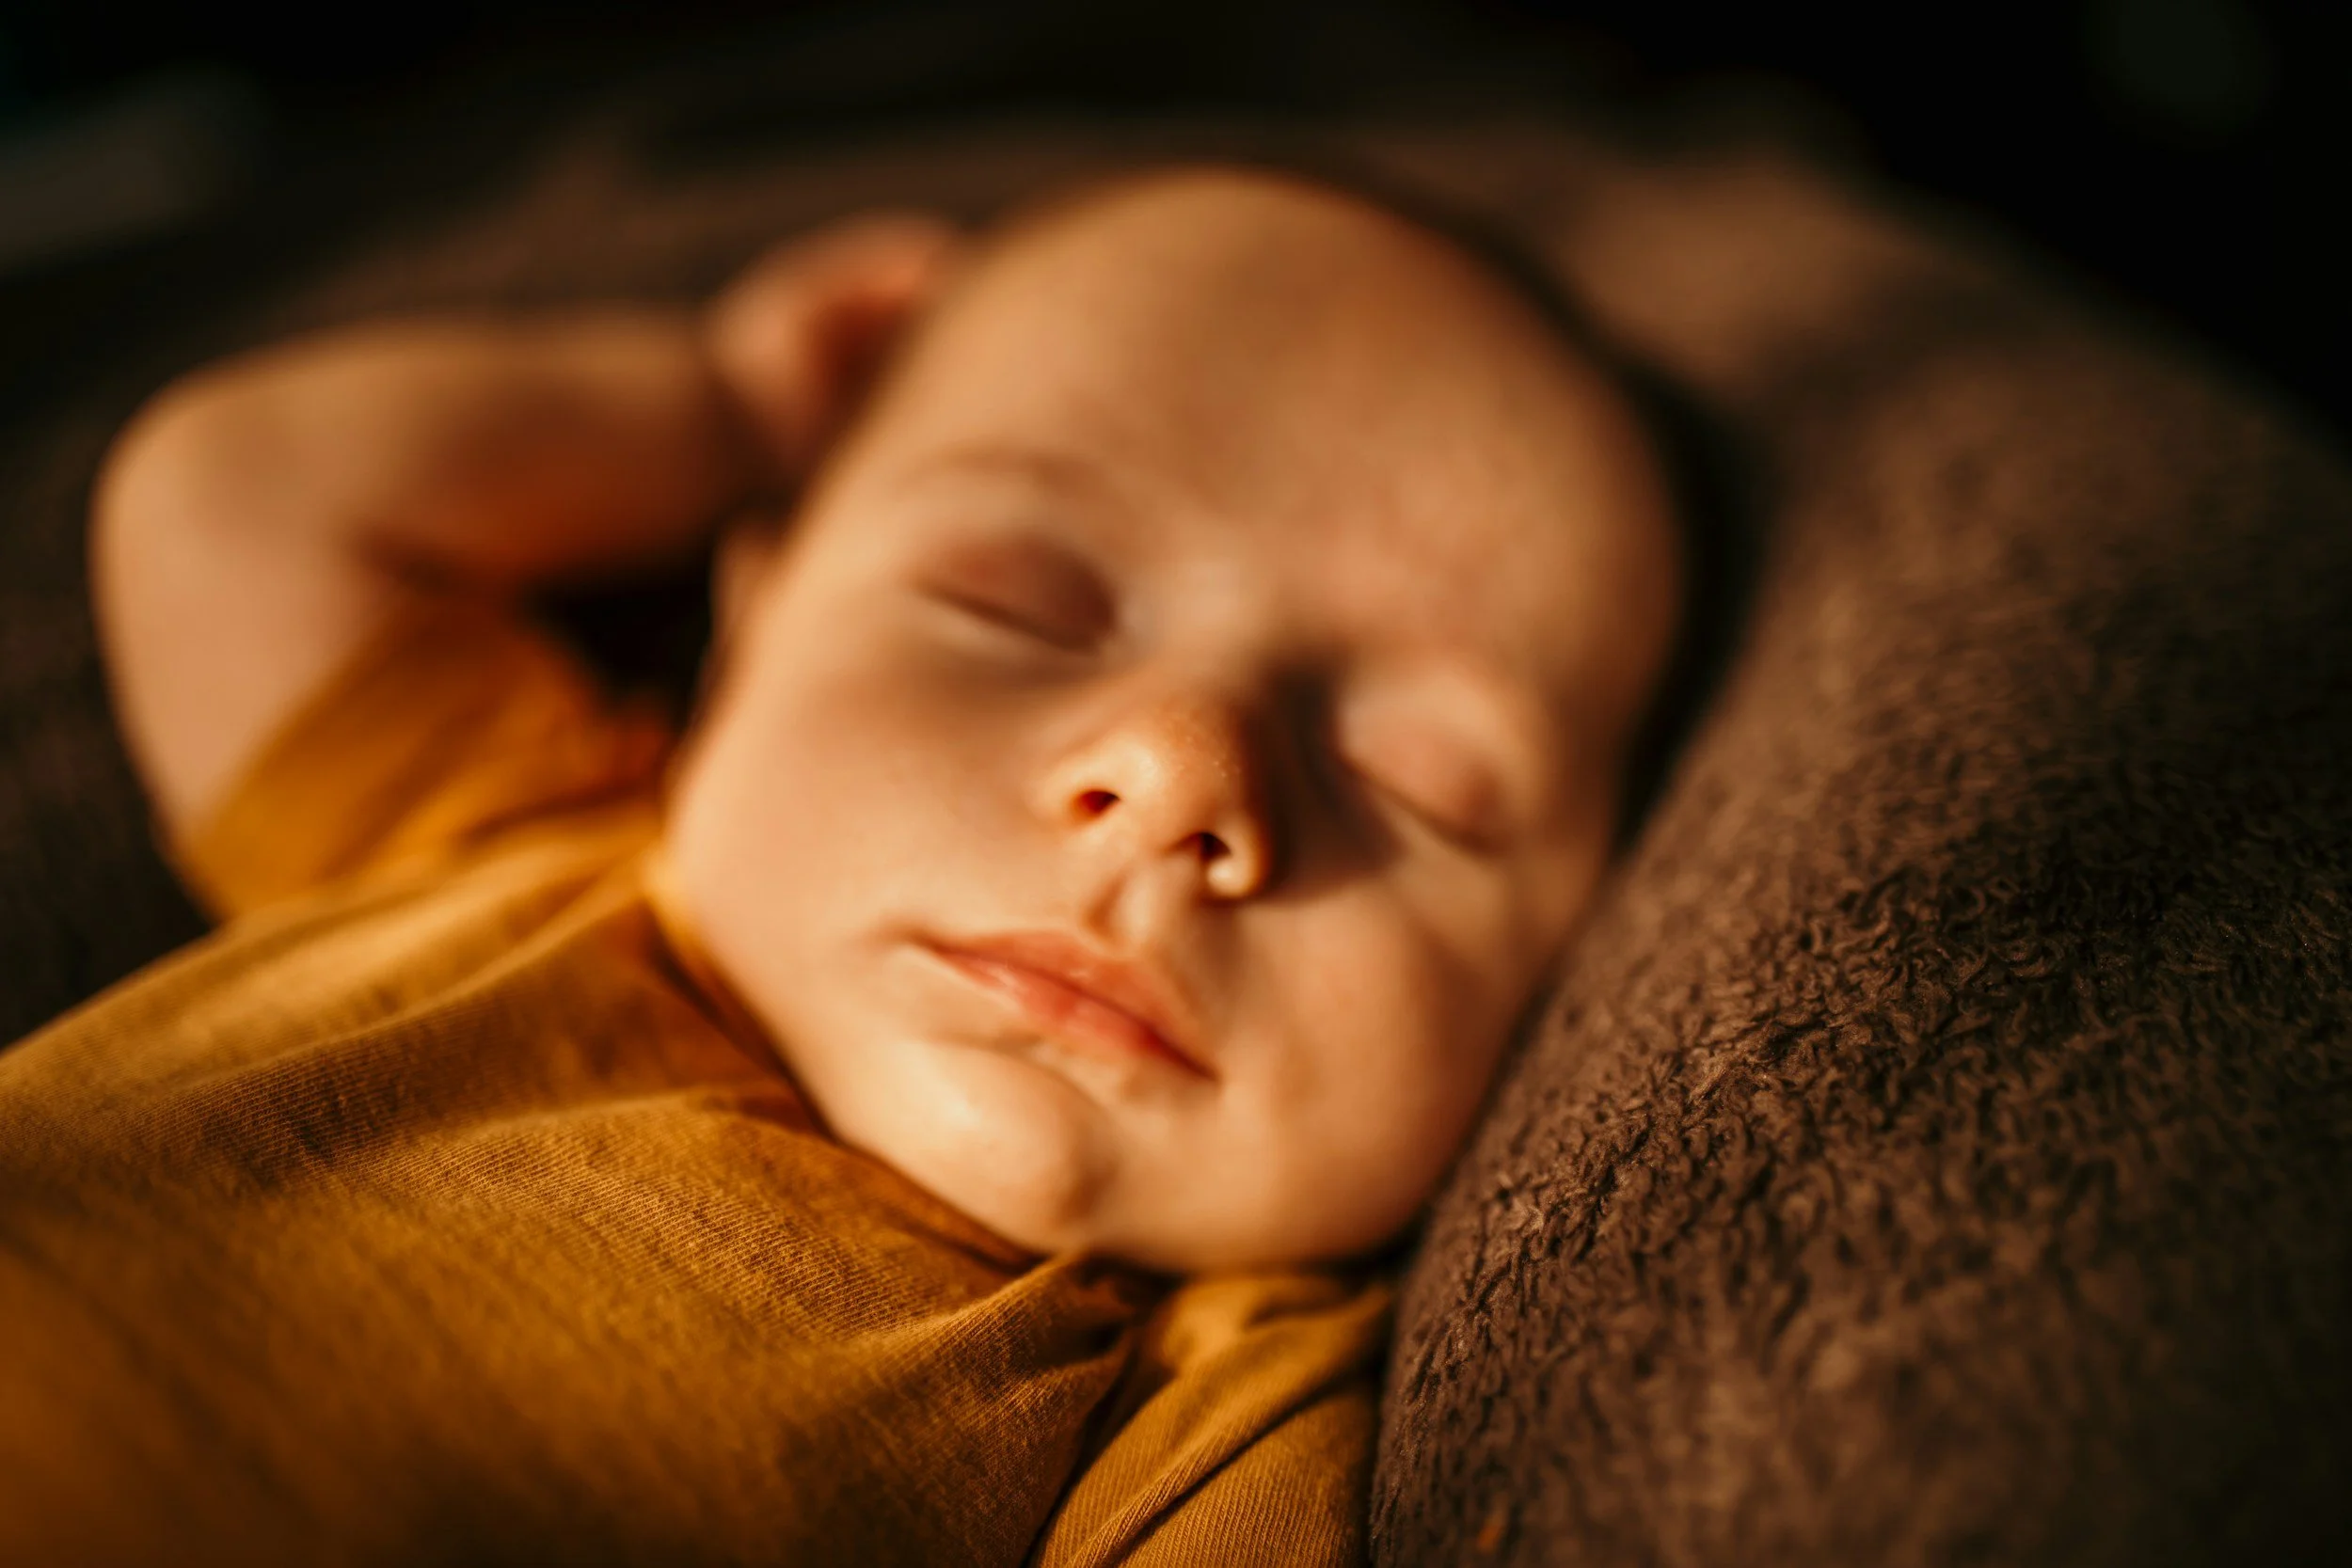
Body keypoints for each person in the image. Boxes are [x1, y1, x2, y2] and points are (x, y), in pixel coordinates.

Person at [0, 165, 1684, 1563]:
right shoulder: (495, 841)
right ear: (756, 611)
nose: (1183, 772)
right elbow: (226, 499)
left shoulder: (1220, 1401)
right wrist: (718, 408)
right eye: (1015, 601)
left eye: (1420, 783)